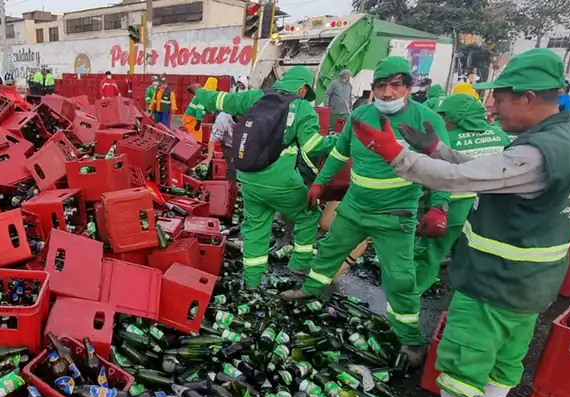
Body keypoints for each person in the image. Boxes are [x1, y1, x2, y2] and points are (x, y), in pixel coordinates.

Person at [350, 48, 570, 397]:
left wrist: (399, 156)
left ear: (529, 97)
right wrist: (437, 148)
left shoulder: (536, 153)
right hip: (536, 281)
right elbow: (491, 170)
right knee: (508, 353)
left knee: (468, 350)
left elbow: (463, 179)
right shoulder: (568, 139)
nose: (491, 104)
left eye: (500, 96)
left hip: (496, 277)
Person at [280, 56, 451, 367]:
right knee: (329, 250)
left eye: (395, 85)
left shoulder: (427, 120)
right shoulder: (360, 116)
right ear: (372, 88)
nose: (387, 94)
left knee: (400, 277)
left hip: (396, 214)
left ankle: (410, 338)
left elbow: (442, 168)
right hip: (355, 206)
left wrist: (439, 206)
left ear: (409, 87)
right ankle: (310, 289)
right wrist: (319, 183)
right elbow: (338, 153)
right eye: (381, 86)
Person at [191, 66, 336, 288]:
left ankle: (252, 281)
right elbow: (313, 146)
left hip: (249, 180)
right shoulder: (302, 107)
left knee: (256, 229)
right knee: (308, 215)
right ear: (303, 89)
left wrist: (200, 93)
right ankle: (300, 263)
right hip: (282, 182)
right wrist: (338, 140)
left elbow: (221, 100)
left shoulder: (256, 96)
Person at [411, 93, 512, 297]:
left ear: (457, 117)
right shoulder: (500, 136)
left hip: (452, 208)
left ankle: (409, 297)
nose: (443, 122)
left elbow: (436, 174)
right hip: (485, 210)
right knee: (467, 257)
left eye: (445, 117)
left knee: (429, 254)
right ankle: (462, 296)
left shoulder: (450, 139)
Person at [202, 111, 237, 183]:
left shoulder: (250, 116)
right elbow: (212, 140)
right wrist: (209, 158)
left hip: (245, 143)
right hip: (229, 145)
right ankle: (230, 187)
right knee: (233, 168)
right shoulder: (222, 119)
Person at [183, 77, 217, 142]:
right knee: (195, 139)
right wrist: (198, 121)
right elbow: (200, 108)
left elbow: (202, 106)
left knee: (192, 137)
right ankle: (193, 151)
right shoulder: (205, 94)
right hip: (192, 119)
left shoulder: (202, 92)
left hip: (190, 117)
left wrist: (209, 111)